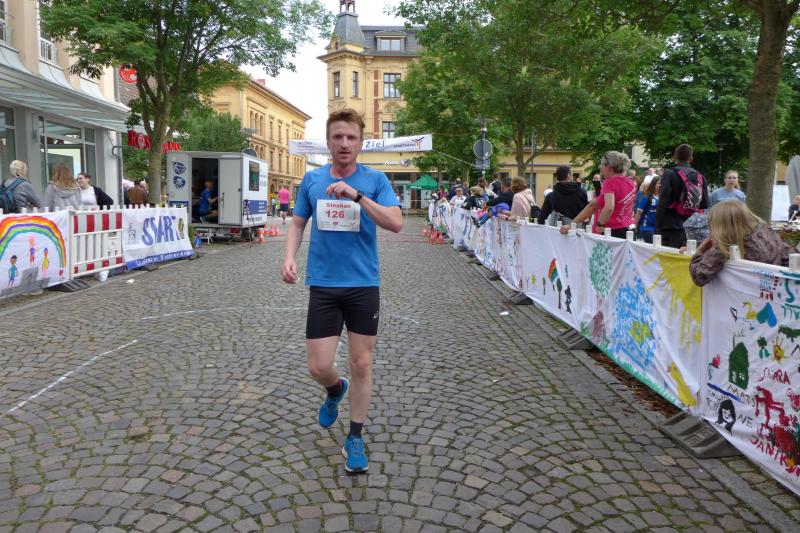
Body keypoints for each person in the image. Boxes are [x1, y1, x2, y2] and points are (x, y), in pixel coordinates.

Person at [281, 108, 402, 475]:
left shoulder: (375, 179)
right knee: (318, 366)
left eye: (351, 137)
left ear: (361, 143)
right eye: (338, 137)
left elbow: (396, 223)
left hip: (363, 284)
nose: (344, 143)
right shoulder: (312, 180)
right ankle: (335, 390)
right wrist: (289, 257)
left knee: (361, 362)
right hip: (324, 284)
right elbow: (297, 223)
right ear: (328, 142)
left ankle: (355, 437)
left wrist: (357, 196)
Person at [690, 201, 792, 286]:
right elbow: (790, 258)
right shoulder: (769, 234)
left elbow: (699, 277)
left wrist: (700, 251)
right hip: (776, 292)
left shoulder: (727, 244)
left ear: (719, 225)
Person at [559, 151, 635, 237]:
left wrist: (600, 224)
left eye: (601, 164)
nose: (600, 167)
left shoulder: (609, 182)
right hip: (629, 228)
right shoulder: (630, 182)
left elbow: (608, 207)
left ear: (608, 167)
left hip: (613, 230)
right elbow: (595, 205)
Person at [656, 144, 709, 248]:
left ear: (674, 157)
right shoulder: (700, 177)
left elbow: (663, 202)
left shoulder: (669, 173)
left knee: (670, 256)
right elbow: (705, 204)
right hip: (693, 227)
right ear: (691, 158)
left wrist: (658, 226)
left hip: (672, 226)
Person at [634, 177, 660, 243]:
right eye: (658, 183)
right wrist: (635, 226)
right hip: (647, 228)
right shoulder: (647, 197)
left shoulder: (663, 198)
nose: (660, 185)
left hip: (658, 229)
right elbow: (638, 213)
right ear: (653, 184)